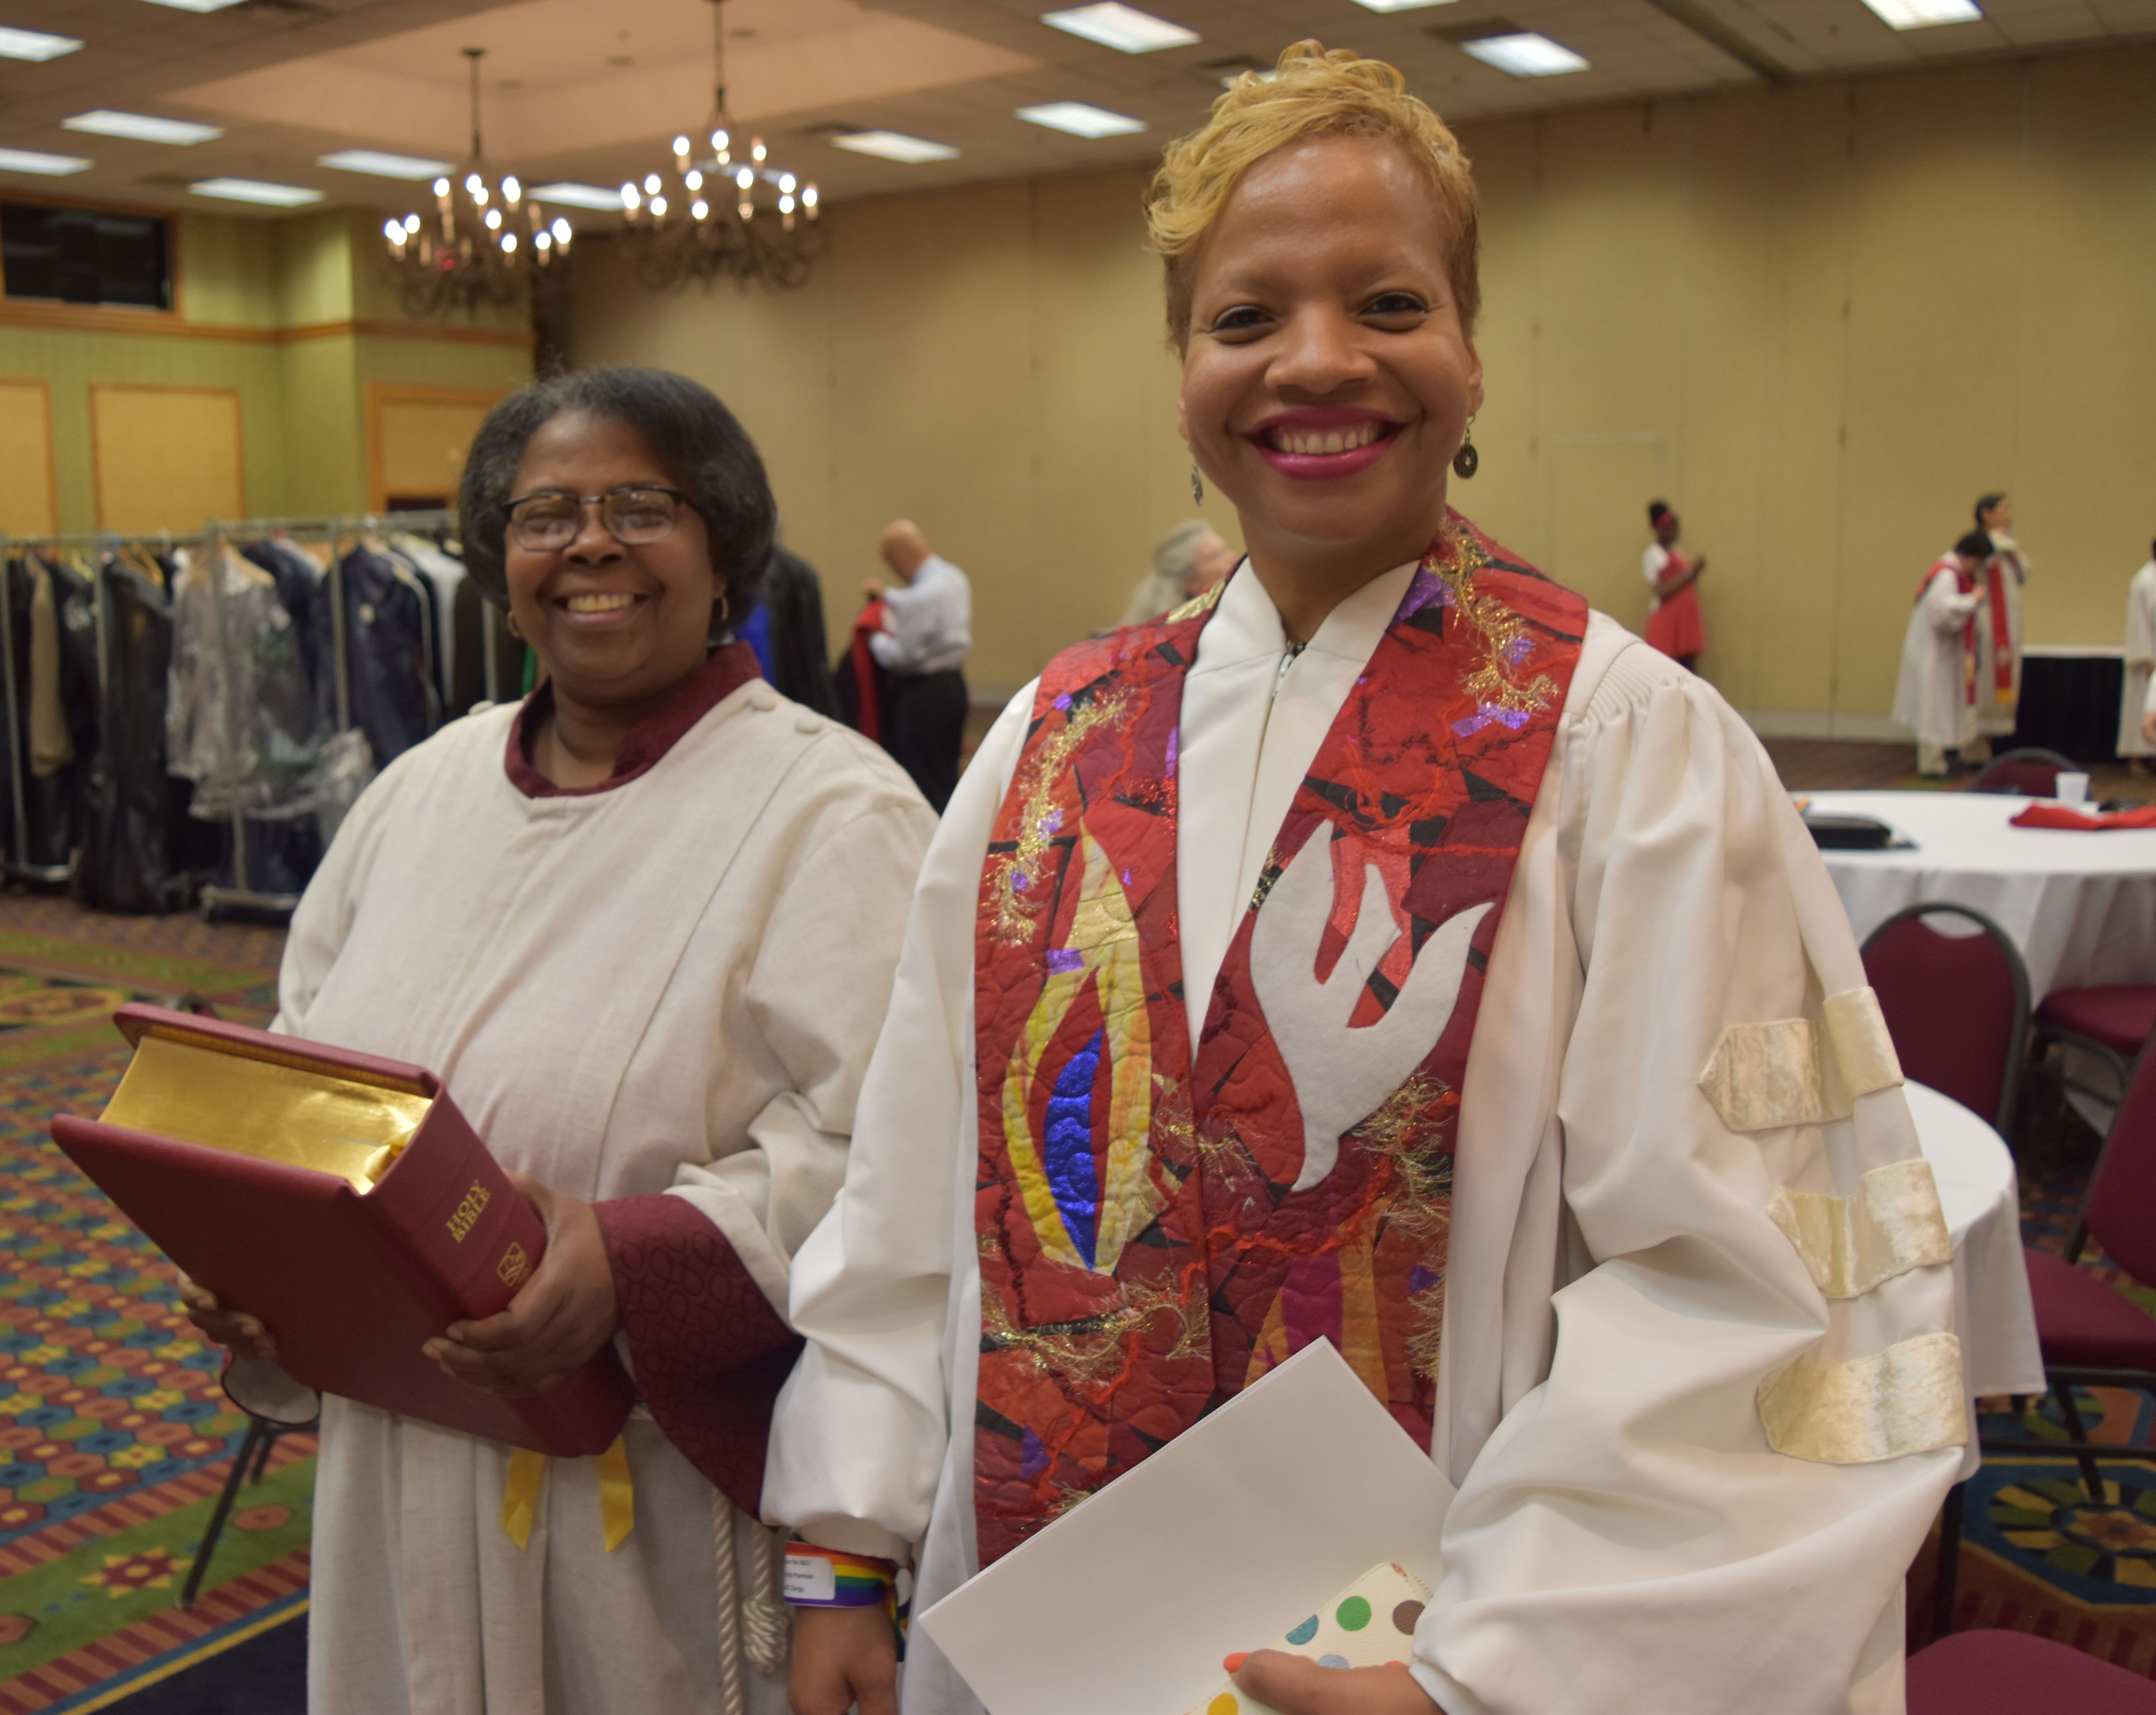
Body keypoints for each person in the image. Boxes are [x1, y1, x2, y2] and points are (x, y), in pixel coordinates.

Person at [768, 42, 1961, 1715]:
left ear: (1472, 356)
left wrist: (1504, 1673)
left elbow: (1770, 1289)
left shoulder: (1630, 752)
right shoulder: (1053, 744)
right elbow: (913, 1183)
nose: (1315, 362)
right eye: (1245, 317)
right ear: (1181, 370)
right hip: (1042, 1623)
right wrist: (845, 1539)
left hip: (1450, 1643)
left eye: (1387, 304)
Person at [176, 367, 935, 1715]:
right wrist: (271, 1263)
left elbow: (893, 1164)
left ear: (722, 554)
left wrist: (635, 1256)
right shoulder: (418, 793)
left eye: (642, 505)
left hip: (645, 1486)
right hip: (397, 1463)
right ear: (498, 563)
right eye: (544, 515)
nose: (589, 543)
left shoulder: (833, 811)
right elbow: (306, 1069)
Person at [858, 521, 972, 812]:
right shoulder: (954, 578)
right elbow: (912, 603)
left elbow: (904, 656)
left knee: (921, 780)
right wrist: (887, 598)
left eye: (891, 561)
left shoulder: (922, 596)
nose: (894, 570)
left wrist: (875, 640)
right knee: (945, 774)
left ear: (899, 556)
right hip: (953, 688)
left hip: (924, 696)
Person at [1892, 532, 1990, 777]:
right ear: (1970, 557)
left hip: (1937, 651)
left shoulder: (1947, 571)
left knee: (1936, 705)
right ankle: (1932, 765)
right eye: (1977, 563)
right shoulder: (1947, 576)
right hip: (1934, 653)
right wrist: (1973, 600)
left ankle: (1938, 759)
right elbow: (1942, 612)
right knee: (1932, 708)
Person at [1969, 492, 2026, 760]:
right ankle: (1973, 747)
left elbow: (2022, 575)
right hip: (1987, 626)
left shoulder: (2009, 545)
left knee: (2000, 683)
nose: (2009, 515)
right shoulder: (1979, 544)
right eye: (2003, 509)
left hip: (2007, 629)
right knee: (1982, 683)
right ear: (1986, 514)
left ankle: (1988, 746)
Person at [1122, 518, 1239, 625]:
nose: (1234, 557)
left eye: (1226, 550)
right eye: (1216, 556)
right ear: (1192, 582)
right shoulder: (1172, 641)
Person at [1641, 499, 1706, 673]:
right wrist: (1690, 572)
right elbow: (1662, 590)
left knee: (1688, 672)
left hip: (1684, 622)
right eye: (1672, 527)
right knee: (1667, 672)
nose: (1677, 531)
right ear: (1661, 529)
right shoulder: (1652, 555)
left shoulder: (1678, 553)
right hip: (1667, 623)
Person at [2125, 539, 2156, 773]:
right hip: (2149, 655)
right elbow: (2138, 621)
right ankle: (2139, 757)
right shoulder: (2144, 580)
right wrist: (2145, 655)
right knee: (2142, 708)